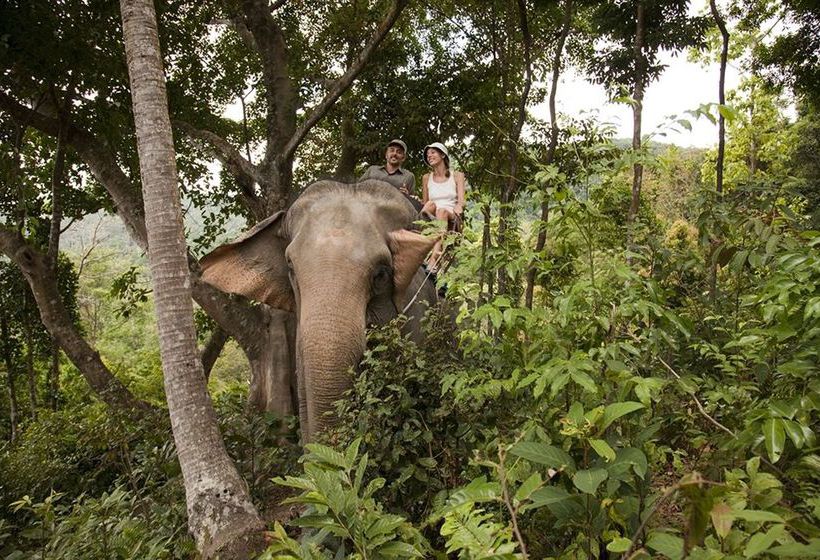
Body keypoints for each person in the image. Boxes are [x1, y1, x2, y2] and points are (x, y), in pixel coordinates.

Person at [420, 142, 466, 272]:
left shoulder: (457, 175)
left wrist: (459, 207)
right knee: (430, 205)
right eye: (428, 155)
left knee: (442, 211)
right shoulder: (426, 178)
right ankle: (421, 239)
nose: (429, 156)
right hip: (433, 215)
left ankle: (435, 257)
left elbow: (461, 201)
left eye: (433, 152)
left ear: (442, 155)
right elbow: (425, 202)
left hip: (450, 214)